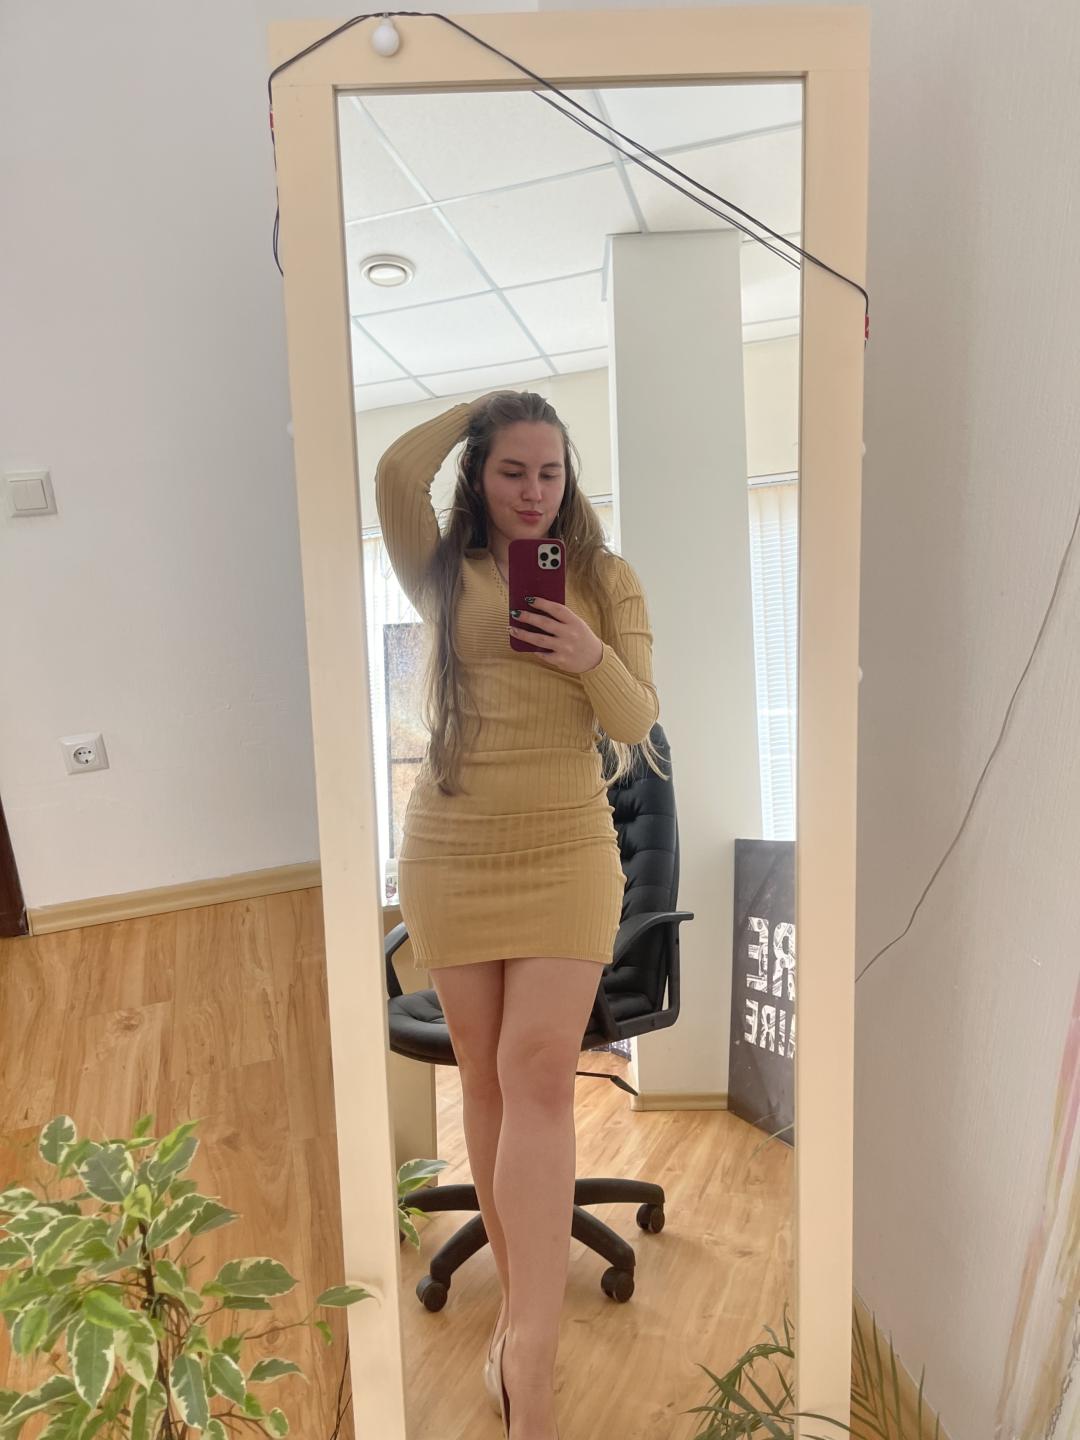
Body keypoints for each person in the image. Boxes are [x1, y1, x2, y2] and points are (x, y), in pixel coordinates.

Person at [374, 389, 665, 1440]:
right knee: (488, 1079)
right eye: (512, 470)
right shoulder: (441, 569)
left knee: (538, 1072)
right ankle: (511, 1324)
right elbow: (394, 475)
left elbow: (636, 718)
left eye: (551, 471)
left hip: (567, 848)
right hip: (451, 848)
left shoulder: (605, 577)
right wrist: (480, 408)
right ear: (480, 476)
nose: (535, 491)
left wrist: (589, 654)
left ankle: (531, 1359)